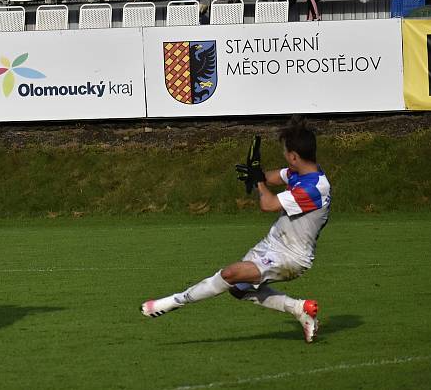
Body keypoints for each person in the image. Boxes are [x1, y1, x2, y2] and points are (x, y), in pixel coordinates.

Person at [140, 116, 330, 343]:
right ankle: (299, 309)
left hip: (291, 258)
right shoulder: (301, 172)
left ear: (293, 156)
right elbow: (273, 177)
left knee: (230, 274)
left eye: (285, 152)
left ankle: (171, 302)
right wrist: (257, 173)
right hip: (273, 245)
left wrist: (258, 183)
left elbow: (267, 204)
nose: (284, 157)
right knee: (239, 289)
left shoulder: (315, 188)